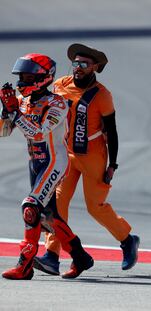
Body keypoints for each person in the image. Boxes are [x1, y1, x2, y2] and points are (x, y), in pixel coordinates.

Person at [33, 43, 139, 275]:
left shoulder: (102, 96)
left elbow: (112, 131)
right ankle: (51, 255)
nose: (78, 68)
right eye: (76, 63)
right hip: (66, 154)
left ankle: (127, 239)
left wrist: (112, 165)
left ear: (95, 68)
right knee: (57, 203)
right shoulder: (60, 85)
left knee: (95, 207)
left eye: (84, 64)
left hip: (93, 154)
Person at [0, 53, 93, 280]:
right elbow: (3, 133)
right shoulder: (22, 102)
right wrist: (6, 112)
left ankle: (25, 265)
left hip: (55, 161)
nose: (22, 81)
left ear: (43, 78)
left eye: (28, 76)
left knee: (30, 207)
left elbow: (39, 132)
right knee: (49, 217)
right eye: (21, 76)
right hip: (35, 162)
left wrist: (15, 114)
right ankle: (81, 257)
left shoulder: (58, 103)